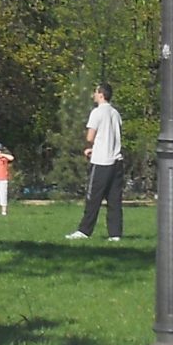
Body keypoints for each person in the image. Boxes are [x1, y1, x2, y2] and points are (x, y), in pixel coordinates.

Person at [67, 83, 124, 241]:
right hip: (116, 160)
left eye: (95, 92)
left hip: (101, 162)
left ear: (101, 94)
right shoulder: (115, 113)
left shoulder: (97, 112)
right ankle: (115, 234)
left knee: (93, 198)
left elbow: (90, 137)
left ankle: (84, 230)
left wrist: (92, 148)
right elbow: (111, 137)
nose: (93, 94)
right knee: (114, 200)